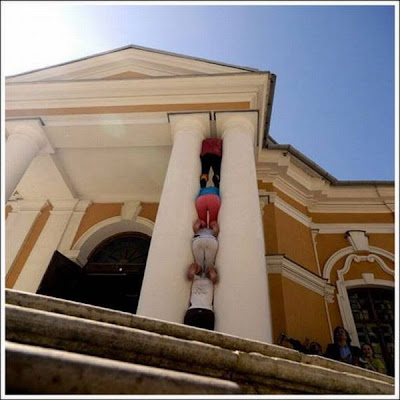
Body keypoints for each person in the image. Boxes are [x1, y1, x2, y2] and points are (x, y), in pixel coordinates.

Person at [184, 266, 217, 330]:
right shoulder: (195, 278)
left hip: (207, 311)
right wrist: (198, 268)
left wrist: (210, 269)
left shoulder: (211, 281)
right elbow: (190, 273)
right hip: (193, 310)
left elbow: (214, 277)